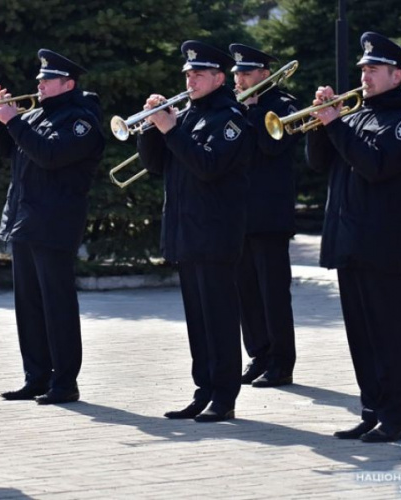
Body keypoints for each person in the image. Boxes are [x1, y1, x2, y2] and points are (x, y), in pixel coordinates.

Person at [305, 32, 401, 442]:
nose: (365, 76)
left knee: (388, 333)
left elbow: (374, 165)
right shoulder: (355, 115)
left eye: (373, 70)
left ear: (397, 75)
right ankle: (371, 408)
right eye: (363, 69)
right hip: (348, 240)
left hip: (382, 243)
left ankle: (396, 418)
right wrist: (322, 124)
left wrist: (336, 124)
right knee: (360, 334)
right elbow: (319, 162)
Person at [137, 40, 254, 422]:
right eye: (187, 73)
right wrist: (153, 126)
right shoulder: (188, 114)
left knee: (219, 317)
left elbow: (207, 166)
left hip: (216, 232)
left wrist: (171, 128)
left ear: (219, 78)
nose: (190, 79)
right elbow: (157, 165)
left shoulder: (231, 118)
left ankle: (224, 395)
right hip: (187, 231)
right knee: (198, 320)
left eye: (198, 73)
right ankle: (203, 389)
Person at [0, 49, 104, 405]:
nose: (39, 84)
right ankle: (36, 376)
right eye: (39, 79)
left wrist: (14, 121)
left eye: (47, 80)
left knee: (57, 306)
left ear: (68, 83)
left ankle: (65, 382)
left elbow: (50, 155)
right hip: (24, 219)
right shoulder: (36, 115)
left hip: (55, 223)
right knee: (29, 306)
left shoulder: (81, 120)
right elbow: (3, 151)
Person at [229, 43, 299, 388]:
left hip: (270, 216)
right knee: (246, 291)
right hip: (238, 214)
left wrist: (255, 112)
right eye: (237, 73)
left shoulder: (284, 107)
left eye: (246, 73)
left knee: (273, 293)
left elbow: (274, 147)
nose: (239, 80)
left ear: (264, 75)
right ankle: (258, 354)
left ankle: (282, 362)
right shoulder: (234, 107)